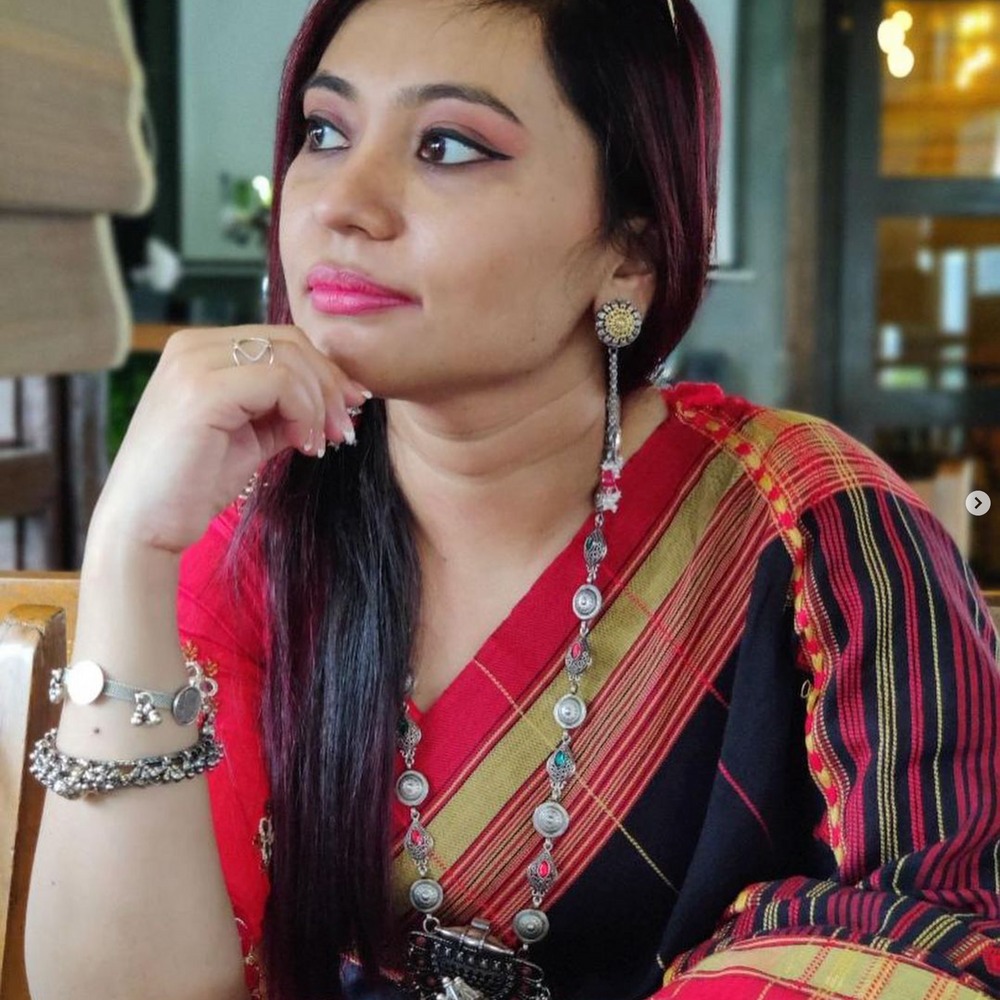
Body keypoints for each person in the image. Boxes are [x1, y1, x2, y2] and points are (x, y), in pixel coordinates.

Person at [29, 0, 999, 999]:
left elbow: (936, 933)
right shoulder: (262, 539)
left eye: (448, 146)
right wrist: (130, 550)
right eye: (324, 132)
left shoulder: (818, 528)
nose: (340, 204)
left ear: (629, 251)